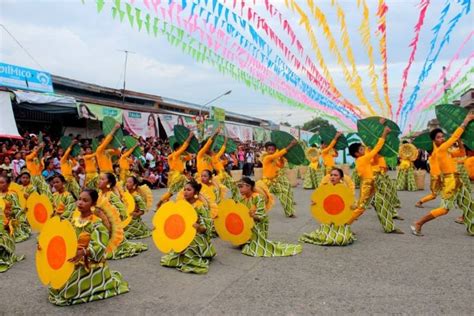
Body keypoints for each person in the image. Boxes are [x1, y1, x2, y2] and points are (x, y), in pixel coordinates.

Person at [48, 189, 129, 305]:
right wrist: (47, 244)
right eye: (79, 199)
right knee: (57, 281)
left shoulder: (97, 224)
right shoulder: (74, 220)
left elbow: (100, 246)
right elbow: (64, 238)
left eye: (85, 201)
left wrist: (84, 252)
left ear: (93, 204)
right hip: (74, 257)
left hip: (90, 262)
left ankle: (98, 281)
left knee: (68, 290)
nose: (80, 203)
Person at [411, 113, 474, 236]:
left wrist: (460, 141)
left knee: (469, 204)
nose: (442, 139)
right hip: (450, 182)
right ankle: (419, 223)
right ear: (434, 141)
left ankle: (471, 228)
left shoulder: (447, 150)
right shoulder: (440, 150)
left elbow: (461, 153)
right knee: (444, 209)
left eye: (442, 136)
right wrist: (465, 121)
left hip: (457, 180)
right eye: (439, 137)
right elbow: (454, 136)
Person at [347, 124, 403, 234]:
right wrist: (384, 133)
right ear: (357, 153)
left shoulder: (362, 158)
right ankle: (344, 225)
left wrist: (380, 125)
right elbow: (377, 147)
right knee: (361, 208)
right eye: (362, 149)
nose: (365, 149)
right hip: (368, 185)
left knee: (382, 203)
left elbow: (371, 145)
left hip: (373, 183)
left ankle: (389, 227)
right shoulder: (363, 159)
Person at [160, 180, 216, 274]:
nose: (185, 192)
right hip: (184, 233)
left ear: (196, 192)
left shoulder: (200, 207)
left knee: (190, 243)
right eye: (184, 189)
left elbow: (205, 229)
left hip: (198, 235)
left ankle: (193, 256)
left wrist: (197, 226)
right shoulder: (182, 205)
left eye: (189, 190)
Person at [237, 177, 302, 256]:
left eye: (241, 187)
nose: (240, 189)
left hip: (259, 223)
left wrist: (252, 216)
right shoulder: (242, 199)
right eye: (239, 187)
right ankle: (246, 240)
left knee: (255, 247)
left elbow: (261, 216)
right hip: (249, 222)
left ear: (249, 186)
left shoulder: (258, 197)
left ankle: (252, 240)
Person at [300, 168, 356, 246]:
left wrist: (352, 207)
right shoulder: (325, 188)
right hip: (327, 219)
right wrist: (315, 203)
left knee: (342, 240)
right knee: (326, 239)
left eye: (335, 175)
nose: (332, 177)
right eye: (331, 175)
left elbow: (351, 204)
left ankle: (345, 232)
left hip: (340, 220)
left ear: (341, 178)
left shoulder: (344, 189)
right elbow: (318, 200)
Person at [97, 173, 148, 259]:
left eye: (102, 179)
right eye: (99, 179)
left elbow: (123, 213)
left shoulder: (112, 196)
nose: (99, 181)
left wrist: (112, 221)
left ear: (109, 184)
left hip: (113, 229)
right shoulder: (99, 194)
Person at [259, 140, 298, 217]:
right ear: (266, 150)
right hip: (267, 182)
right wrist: (291, 145)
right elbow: (278, 154)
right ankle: (253, 212)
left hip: (275, 181)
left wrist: (281, 159)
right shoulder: (267, 157)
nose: (271, 151)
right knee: (261, 197)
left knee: (285, 192)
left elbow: (281, 166)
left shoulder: (274, 158)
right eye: (269, 149)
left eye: (273, 149)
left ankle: (289, 212)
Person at [157, 132, 194, 206]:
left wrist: (189, 153)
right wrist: (189, 137)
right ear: (177, 148)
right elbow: (184, 147)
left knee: (185, 189)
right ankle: (159, 203)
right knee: (172, 192)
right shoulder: (175, 155)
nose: (181, 149)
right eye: (180, 147)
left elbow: (189, 157)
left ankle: (186, 204)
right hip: (177, 176)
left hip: (180, 175)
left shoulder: (179, 156)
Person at [0, 175, 31, 242]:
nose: (0, 185)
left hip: (9, 218)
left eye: (2, 183)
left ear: (8, 184)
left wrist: (10, 213)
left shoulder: (12, 194)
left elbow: (18, 209)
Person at [0, 190, 24, 272]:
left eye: (10, 209)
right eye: (8, 209)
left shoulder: (9, 220)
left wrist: (8, 225)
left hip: (5, 240)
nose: (9, 212)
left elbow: (11, 232)